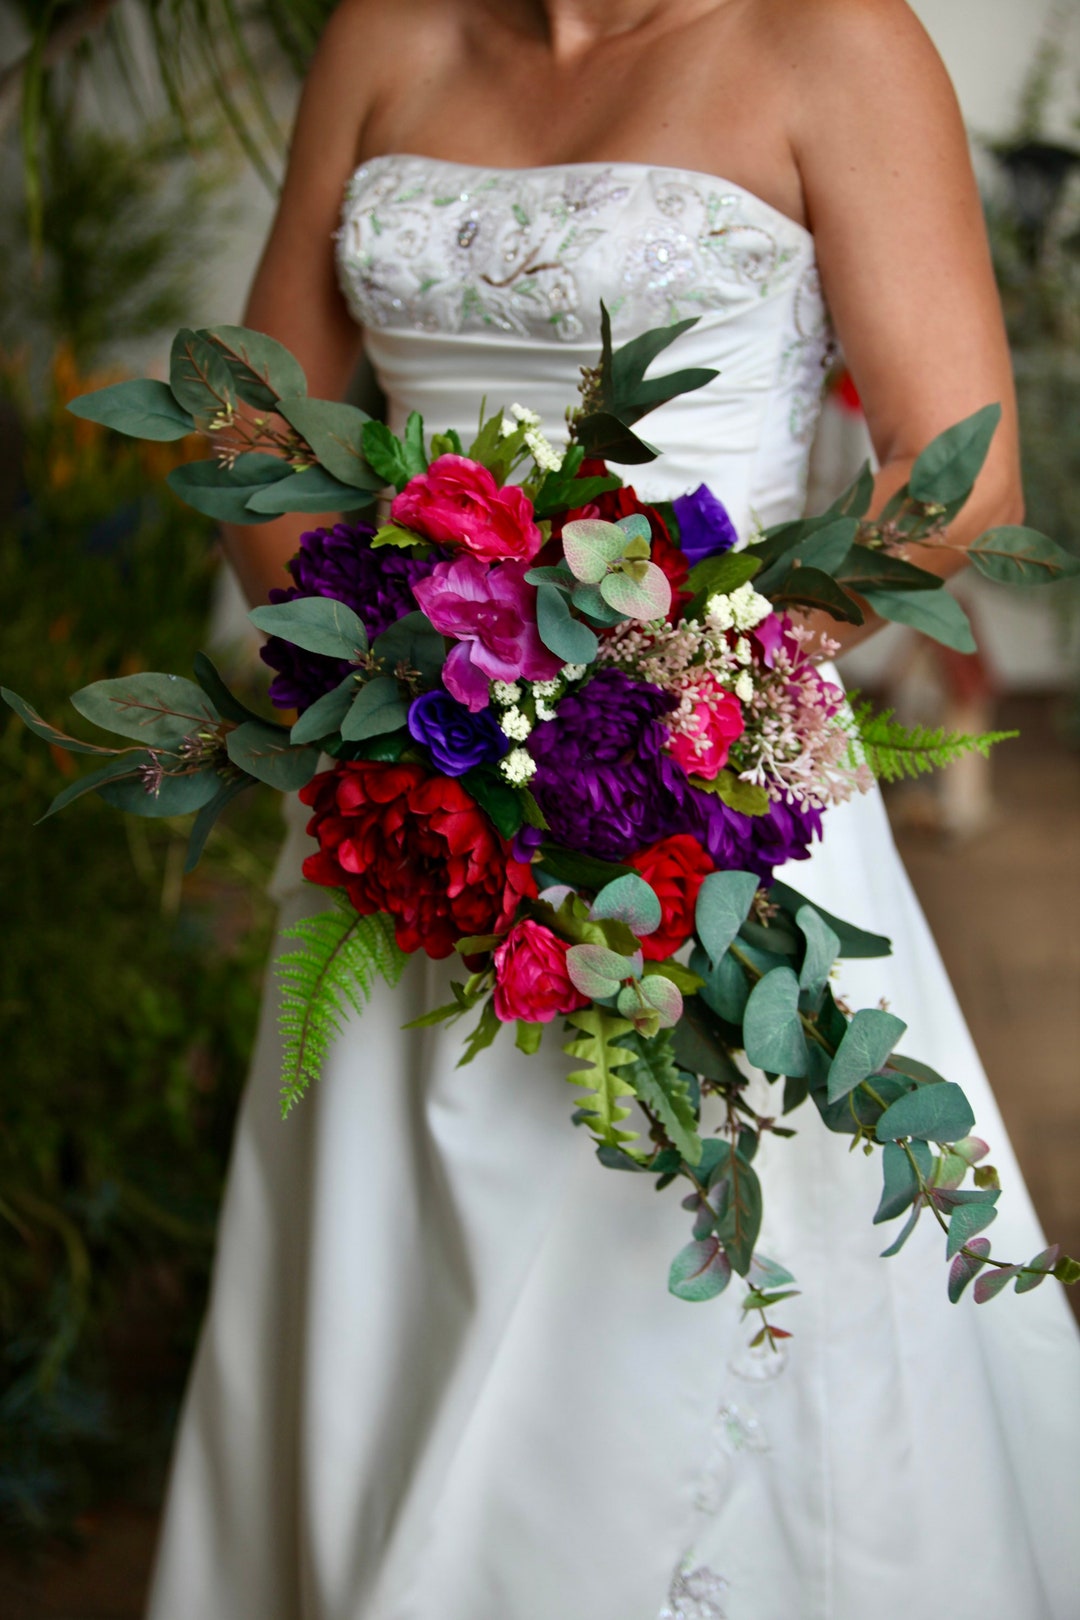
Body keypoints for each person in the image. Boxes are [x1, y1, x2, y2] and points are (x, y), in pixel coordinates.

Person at [145, 2, 1080, 1616]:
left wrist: (647, 715)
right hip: (409, 815)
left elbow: (956, 478)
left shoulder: (835, 40)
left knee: (657, 1339)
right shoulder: (383, 32)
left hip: (702, 812)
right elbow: (251, 420)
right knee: (389, 1315)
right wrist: (390, 698)